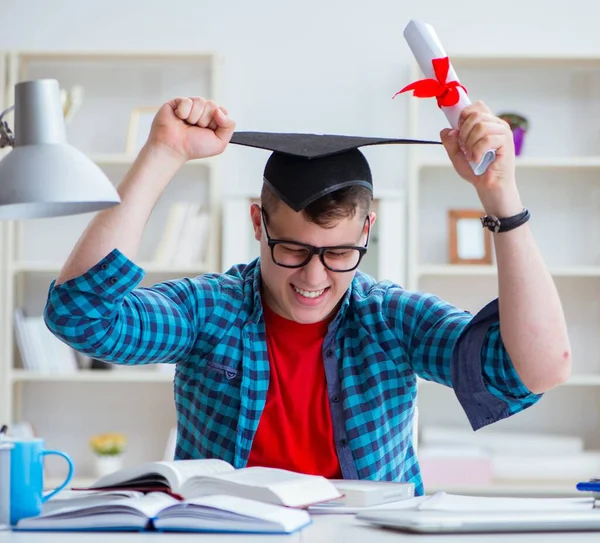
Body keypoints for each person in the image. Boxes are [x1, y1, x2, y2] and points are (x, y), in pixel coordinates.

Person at [44, 96, 571, 495]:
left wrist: (501, 195)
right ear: (257, 222)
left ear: (368, 230)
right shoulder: (210, 310)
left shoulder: (391, 319)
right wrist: (162, 154)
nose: (314, 278)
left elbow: (537, 369)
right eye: (292, 249)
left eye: (339, 253)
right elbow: (80, 317)